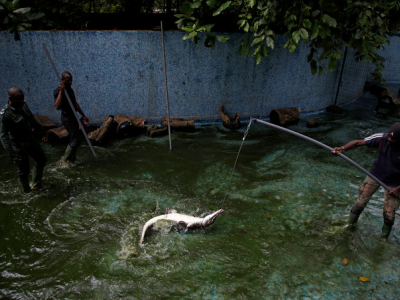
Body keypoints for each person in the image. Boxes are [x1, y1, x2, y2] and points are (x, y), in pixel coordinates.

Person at [331, 122, 400, 239]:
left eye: (393, 138)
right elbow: (359, 142)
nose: (389, 139)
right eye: (389, 136)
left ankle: (383, 239)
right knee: (360, 203)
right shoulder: (382, 138)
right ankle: (349, 226)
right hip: (375, 174)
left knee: (389, 216)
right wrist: (342, 148)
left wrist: (398, 188)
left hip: (394, 184)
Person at [0, 87, 48, 193]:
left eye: (22, 98)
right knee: (23, 170)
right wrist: (11, 154)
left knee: (41, 159)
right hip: (18, 145)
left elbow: (32, 119)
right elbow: (3, 136)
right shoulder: (6, 114)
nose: (22, 101)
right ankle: (26, 191)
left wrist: (42, 132)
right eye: (18, 99)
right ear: (11, 98)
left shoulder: (23, 104)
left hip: (30, 139)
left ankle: (36, 184)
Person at [54, 71, 89, 165]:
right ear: (62, 80)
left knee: (75, 138)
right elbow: (57, 106)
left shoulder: (70, 89)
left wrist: (83, 115)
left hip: (74, 117)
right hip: (67, 119)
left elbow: (75, 104)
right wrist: (61, 91)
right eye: (67, 80)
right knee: (76, 139)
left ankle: (72, 159)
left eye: (71, 80)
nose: (70, 82)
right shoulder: (58, 91)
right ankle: (64, 160)